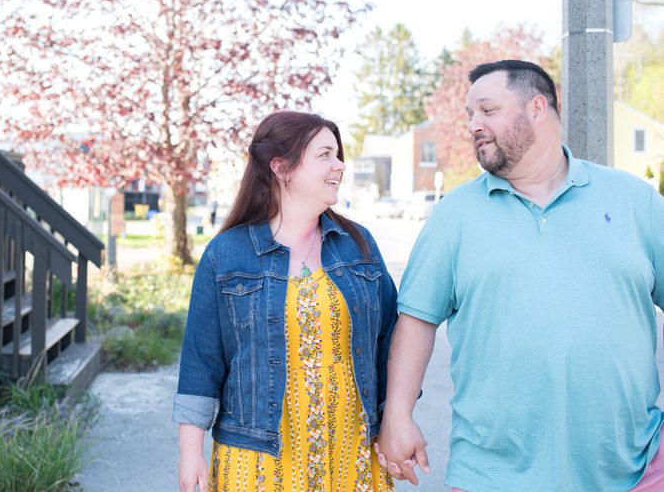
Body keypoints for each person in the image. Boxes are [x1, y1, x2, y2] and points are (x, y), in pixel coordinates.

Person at [375, 60, 664, 491]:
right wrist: (397, 414)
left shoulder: (635, 201)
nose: (474, 124)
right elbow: (417, 319)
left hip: (635, 468)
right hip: (492, 474)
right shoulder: (455, 215)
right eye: (469, 115)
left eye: (487, 110)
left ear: (536, 108)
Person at [173, 111, 398, 491]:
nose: (339, 165)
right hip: (259, 457)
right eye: (325, 154)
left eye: (338, 154)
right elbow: (201, 361)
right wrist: (191, 452)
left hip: (352, 450)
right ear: (281, 167)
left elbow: (390, 343)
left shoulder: (358, 246)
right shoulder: (226, 255)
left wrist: (396, 420)